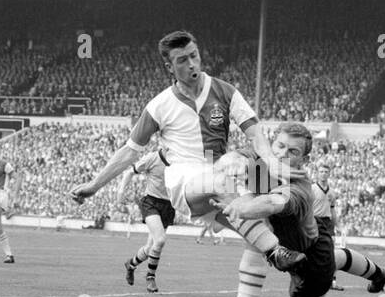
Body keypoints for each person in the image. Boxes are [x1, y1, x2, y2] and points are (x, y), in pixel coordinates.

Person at [70, 30, 305, 273]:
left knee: (269, 222)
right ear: (169, 66)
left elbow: (256, 133)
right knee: (227, 183)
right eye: (182, 60)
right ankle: (276, 253)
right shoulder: (159, 106)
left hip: (217, 170)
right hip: (184, 180)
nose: (192, 63)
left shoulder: (225, 91)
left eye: (194, 55)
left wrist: (271, 162)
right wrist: (94, 186)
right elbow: (130, 151)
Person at [218, 122, 385, 297]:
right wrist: (230, 163)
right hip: (308, 238)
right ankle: (379, 274)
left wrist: (241, 206)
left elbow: (272, 203)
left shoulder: (298, 187)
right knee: (335, 256)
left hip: (310, 262)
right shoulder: (262, 161)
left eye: (293, 152)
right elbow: (229, 159)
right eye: (279, 146)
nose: (282, 154)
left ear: (304, 161)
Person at [117, 147, 172, 292]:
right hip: (151, 202)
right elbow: (129, 172)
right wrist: (121, 192)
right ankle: (150, 277)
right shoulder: (152, 158)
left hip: (168, 206)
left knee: (150, 248)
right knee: (160, 240)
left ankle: (131, 264)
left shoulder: (181, 159)